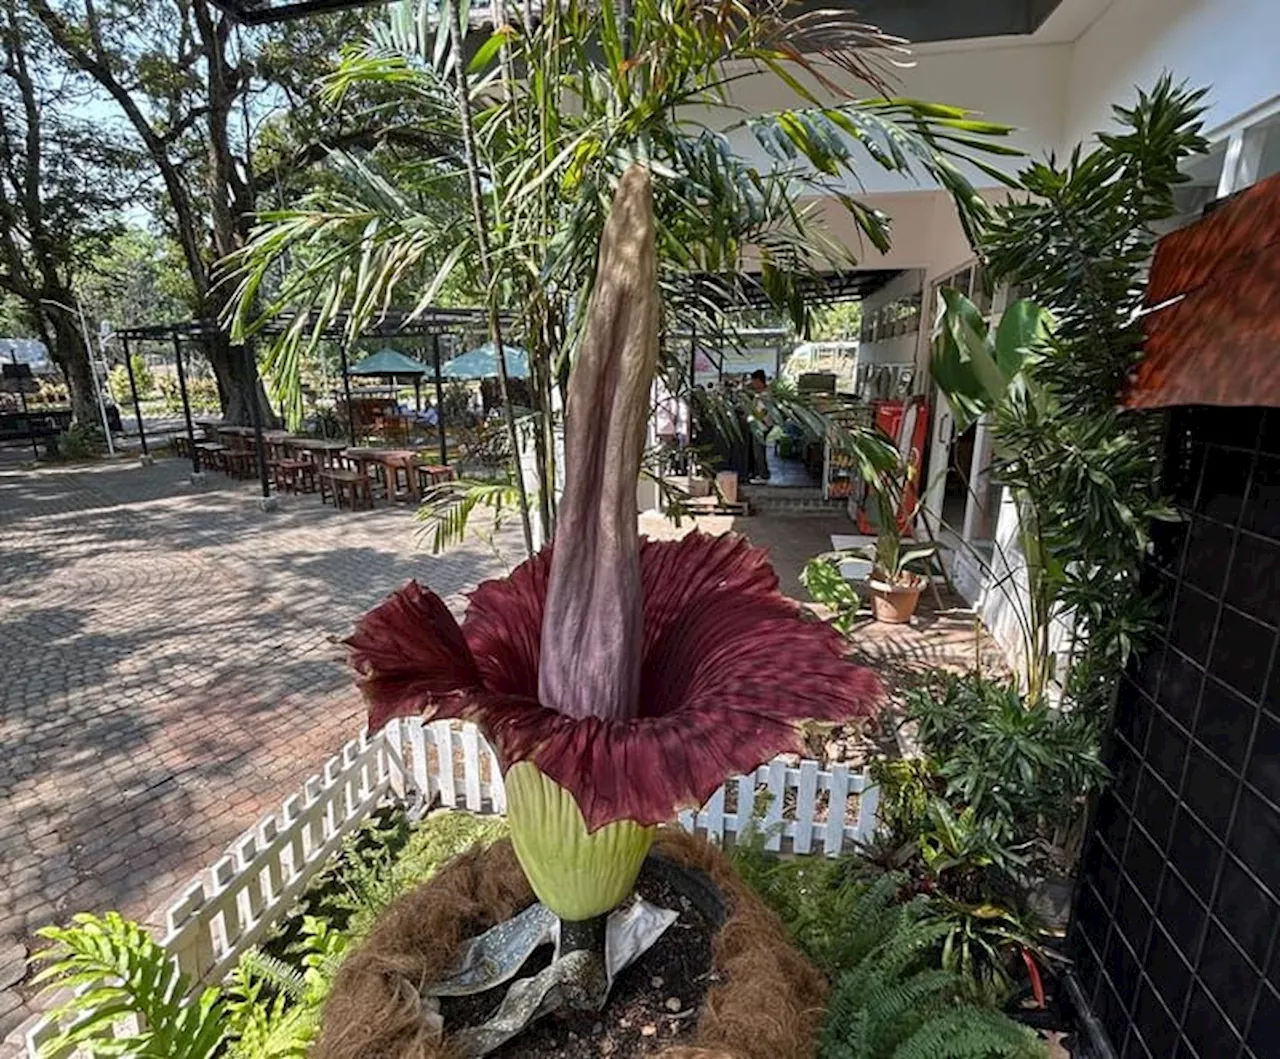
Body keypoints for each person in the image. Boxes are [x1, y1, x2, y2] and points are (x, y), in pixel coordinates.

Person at [747, 370, 771, 482]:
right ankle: (760, 472)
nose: (753, 383)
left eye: (754, 381)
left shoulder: (765, 395)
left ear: (758, 380)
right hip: (759, 425)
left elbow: (763, 412)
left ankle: (763, 475)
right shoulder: (759, 393)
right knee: (757, 450)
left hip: (761, 426)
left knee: (759, 451)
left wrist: (753, 416)